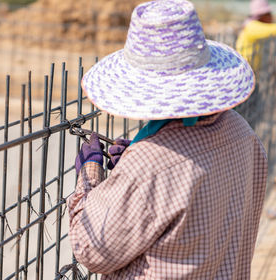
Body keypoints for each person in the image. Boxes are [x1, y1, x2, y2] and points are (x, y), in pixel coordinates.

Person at [67, 0, 268, 278]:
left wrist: (89, 173)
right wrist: (132, 172)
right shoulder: (243, 133)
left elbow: (90, 247)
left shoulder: (150, 163)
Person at [236, 0, 276, 71]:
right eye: (269, 14)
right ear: (262, 15)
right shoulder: (252, 26)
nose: (271, 17)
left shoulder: (251, 25)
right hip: (245, 68)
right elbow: (273, 29)